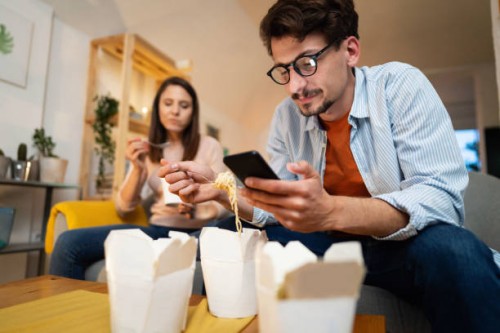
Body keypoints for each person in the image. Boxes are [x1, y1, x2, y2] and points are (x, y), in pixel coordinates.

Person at [159, 1, 500, 332]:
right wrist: (222, 190)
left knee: (456, 251)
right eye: (284, 70)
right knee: (221, 234)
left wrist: (331, 210)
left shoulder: (400, 87)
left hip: (401, 248)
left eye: (307, 63)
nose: (295, 86)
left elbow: (440, 201)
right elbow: (272, 209)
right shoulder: (286, 117)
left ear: (350, 51)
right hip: (325, 245)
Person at [50, 76, 228, 280]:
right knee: (68, 243)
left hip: (199, 233)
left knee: (220, 238)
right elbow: (123, 208)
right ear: (158, 108)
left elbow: (226, 197)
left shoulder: (209, 145)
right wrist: (137, 167)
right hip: (157, 231)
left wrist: (198, 209)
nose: (175, 111)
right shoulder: (148, 148)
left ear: (193, 112)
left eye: (184, 105)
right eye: (168, 103)